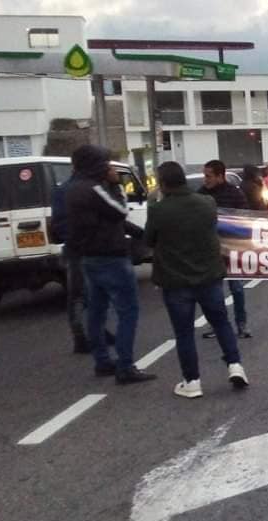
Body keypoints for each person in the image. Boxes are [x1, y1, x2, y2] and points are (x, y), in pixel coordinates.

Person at [145, 161, 250, 398]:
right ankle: (235, 366)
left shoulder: (159, 210)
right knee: (221, 323)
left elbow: (149, 240)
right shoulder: (207, 203)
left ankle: (192, 382)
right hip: (209, 276)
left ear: (162, 184)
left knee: (183, 333)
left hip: (175, 281)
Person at [65, 145, 156, 384]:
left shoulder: (72, 188)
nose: (108, 167)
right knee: (128, 311)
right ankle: (125, 366)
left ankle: (102, 360)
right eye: (105, 163)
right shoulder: (94, 189)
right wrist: (116, 185)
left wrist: (140, 234)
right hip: (110, 257)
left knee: (96, 311)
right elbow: (119, 211)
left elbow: (107, 220)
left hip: (89, 257)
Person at [51, 169, 115, 354]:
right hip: (86, 248)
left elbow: (58, 224)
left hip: (73, 247)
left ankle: (86, 334)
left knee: (79, 294)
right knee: (88, 294)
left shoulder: (61, 189)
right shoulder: (88, 189)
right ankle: (86, 336)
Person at [198, 160, 253, 339]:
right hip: (210, 252)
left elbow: (245, 218)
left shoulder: (234, 194)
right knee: (214, 292)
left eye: (209, 176)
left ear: (220, 176)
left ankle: (241, 324)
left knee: (236, 289)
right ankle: (218, 325)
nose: (205, 179)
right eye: (204, 175)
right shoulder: (200, 195)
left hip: (231, 251)